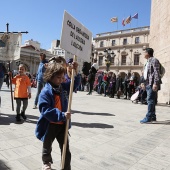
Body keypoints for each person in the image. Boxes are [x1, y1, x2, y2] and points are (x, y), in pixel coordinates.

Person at [35, 61, 80, 170]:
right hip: (50, 124)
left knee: (65, 148)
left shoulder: (62, 87)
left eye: (62, 77)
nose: (61, 79)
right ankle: (46, 162)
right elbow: (45, 109)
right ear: (50, 77)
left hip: (62, 125)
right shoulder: (45, 91)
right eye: (58, 77)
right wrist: (62, 115)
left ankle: (66, 166)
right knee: (47, 146)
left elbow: (73, 85)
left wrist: (75, 72)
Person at [140, 48, 160, 123]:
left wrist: (155, 83)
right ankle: (153, 116)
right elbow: (147, 74)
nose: (143, 54)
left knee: (150, 100)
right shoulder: (148, 61)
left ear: (148, 53)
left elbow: (156, 72)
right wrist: (143, 82)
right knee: (151, 100)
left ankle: (148, 117)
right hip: (148, 83)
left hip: (152, 84)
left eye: (144, 52)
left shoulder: (154, 60)